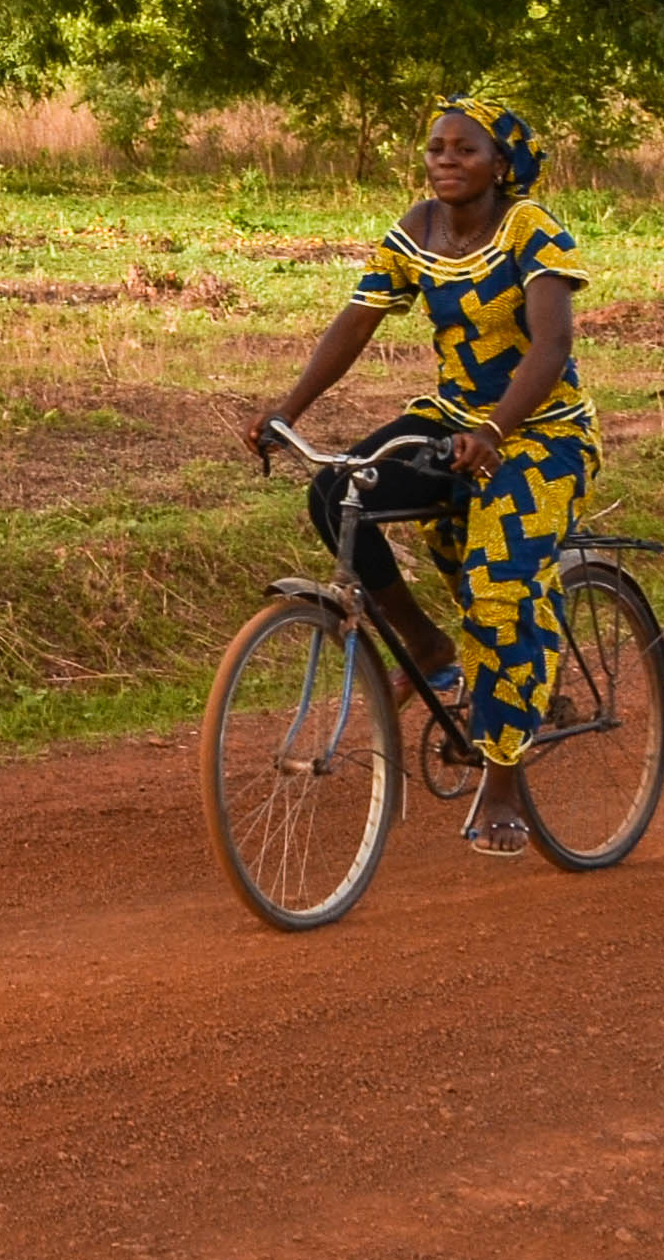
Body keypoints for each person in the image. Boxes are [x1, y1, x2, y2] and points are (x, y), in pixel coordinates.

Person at [248, 96, 596, 853]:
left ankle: (502, 779)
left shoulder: (530, 230)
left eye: (464, 150)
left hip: (540, 433)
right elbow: (356, 321)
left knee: (499, 593)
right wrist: (288, 410)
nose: (444, 160)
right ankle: (431, 654)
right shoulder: (418, 228)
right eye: (435, 147)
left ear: (501, 165)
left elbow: (551, 347)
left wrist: (495, 428)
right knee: (337, 490)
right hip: (450, 418)